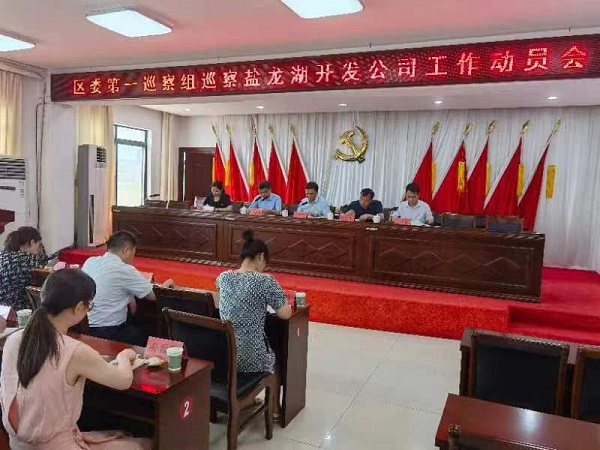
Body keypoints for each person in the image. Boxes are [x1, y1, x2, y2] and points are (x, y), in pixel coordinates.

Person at [0, 269, 151, 450]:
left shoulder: (14, 339)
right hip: (57, 446)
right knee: (143, 443)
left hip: (18, 445)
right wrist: (124, 356)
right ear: (79, 307)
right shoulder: (74, 351)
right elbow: (123, 381)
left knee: (117, 435)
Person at [217, 230, 292, 373]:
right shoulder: (265, 280)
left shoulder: (223, 277)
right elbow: (285, 314)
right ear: (261, 256)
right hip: (253, 358)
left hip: (225, 355)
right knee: (279, 355)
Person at [82, 230, 174, 346]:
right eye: (134, 253)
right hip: (108, 332)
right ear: (127, 250)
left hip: (85, 325)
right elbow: (154, 295)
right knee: (150, 332)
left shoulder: (90, 261)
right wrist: (166, 285)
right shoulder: (124, 269)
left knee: (134, 319)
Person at [0, 226, 48, 311]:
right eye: (38, 245)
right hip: (21, 310)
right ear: (32, 242)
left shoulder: (2, 256)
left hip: (3, 309)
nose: (38, 250)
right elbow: (43, 268)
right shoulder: (28, 259)